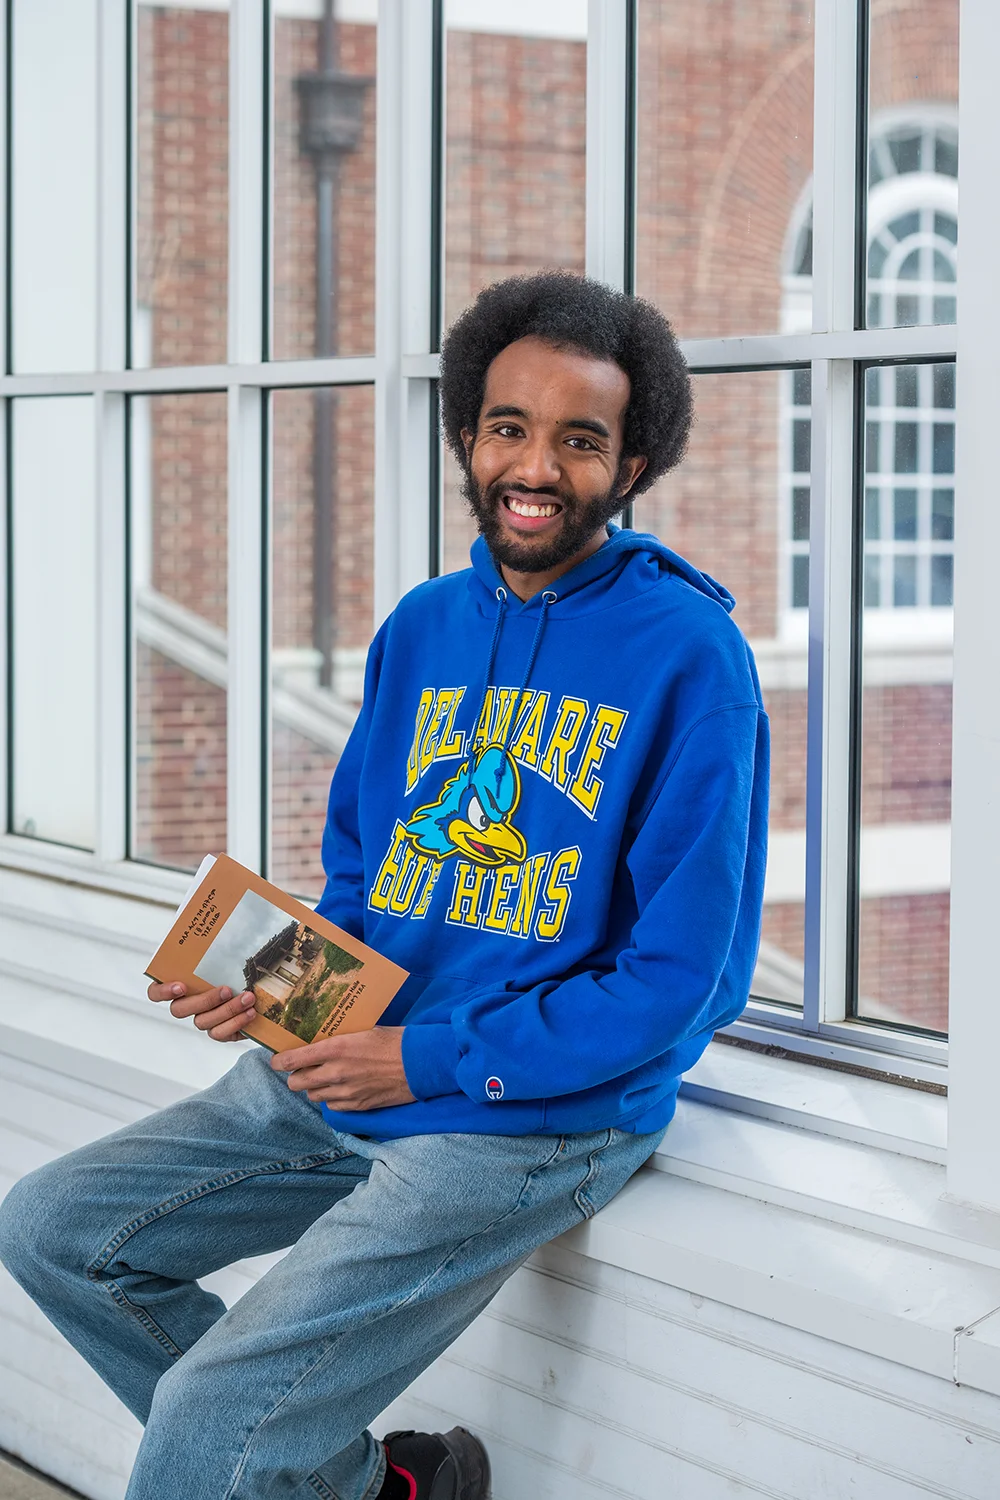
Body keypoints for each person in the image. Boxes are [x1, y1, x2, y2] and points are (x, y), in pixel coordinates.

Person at [0, 272, 769, 1500]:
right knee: (52, 1232)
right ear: (467, 434)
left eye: (581, 439)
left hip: (530, 1112)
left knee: (208, 1420)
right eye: (508, 425)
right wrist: (282, 977)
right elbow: (368, 872)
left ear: (630, 469)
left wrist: (425, 1064)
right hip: (355, 1058)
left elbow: (683, 985)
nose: (534, 464)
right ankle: (370, 1489)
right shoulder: (422, 627)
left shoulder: (690, 657)